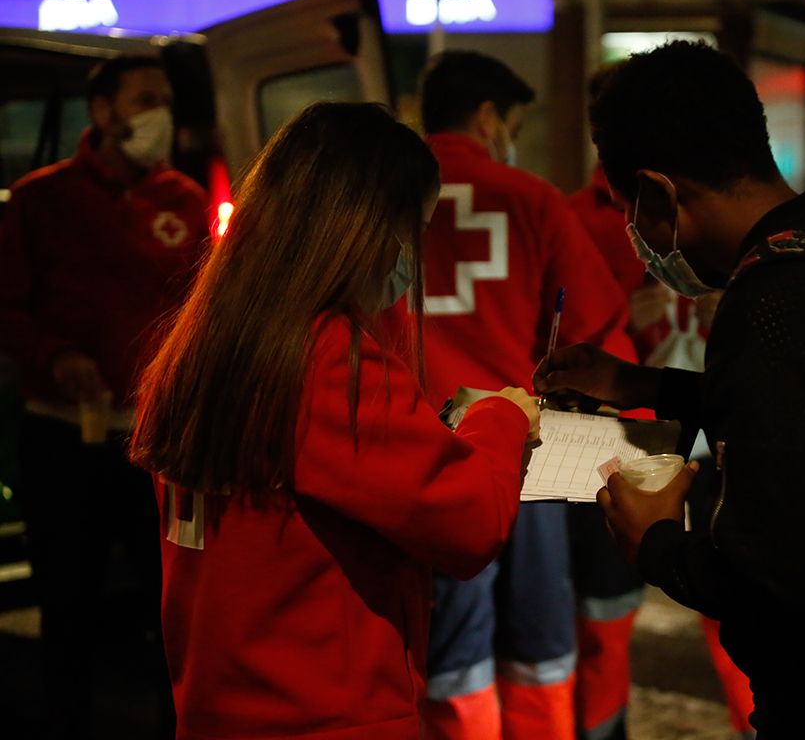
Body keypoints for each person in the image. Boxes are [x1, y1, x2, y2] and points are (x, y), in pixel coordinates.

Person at [535, 41, 805, 738]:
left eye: (628, 211)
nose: (635, 236)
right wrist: (635, 383)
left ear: (659, 192)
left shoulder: (772, 302)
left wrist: (654, 546)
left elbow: (776, 581)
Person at [129, 101, 540, 739]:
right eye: (414, 229)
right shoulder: (324, 359)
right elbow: (467, 524)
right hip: (325, 713)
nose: (411, 257)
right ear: (362, 227)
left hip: (221, 705)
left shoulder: (211, 336)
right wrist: (501, 418)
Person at [411, 51, 635, 740]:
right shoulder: (531, 198)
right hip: (525, 452)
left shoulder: (384, 197)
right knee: (539, 644)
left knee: (452, 650)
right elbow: (596, 333)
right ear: (487, 118)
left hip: (422, 454)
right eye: (510, 122)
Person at [0, 53, 209, 739]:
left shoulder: (184, 198)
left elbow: (202, 311)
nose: (161, 113)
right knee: (69, 608)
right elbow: (6, 306)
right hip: (64, 437)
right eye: (145, 99)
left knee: (169, 609)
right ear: (102, 112)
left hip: (158, 444)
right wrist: (54, 356)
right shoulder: (42, 198)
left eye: (165, 100)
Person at [570, 160, 756, 740]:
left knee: (736, 604)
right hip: (628, 433)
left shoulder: (736, 230)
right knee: (607, 608)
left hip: (722, 434)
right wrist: (622, 325)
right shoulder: (577, 217)